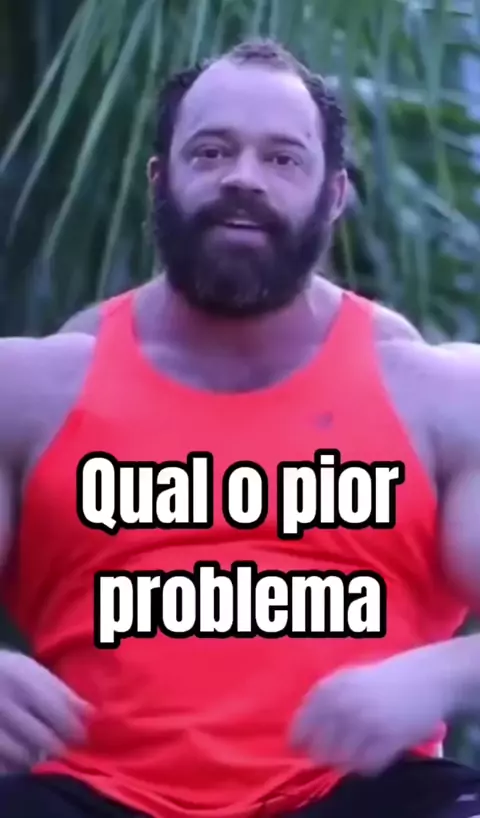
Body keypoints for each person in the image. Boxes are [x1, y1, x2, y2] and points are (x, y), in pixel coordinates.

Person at [1, 36, 480, 818]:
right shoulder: (28, 390)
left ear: (334, 195)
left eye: (283, 158)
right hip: (87, 796)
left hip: (360, 797)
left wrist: (440, 673)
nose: (243, 178)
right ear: (160, 180)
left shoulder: (441, 396)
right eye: (212, 151)